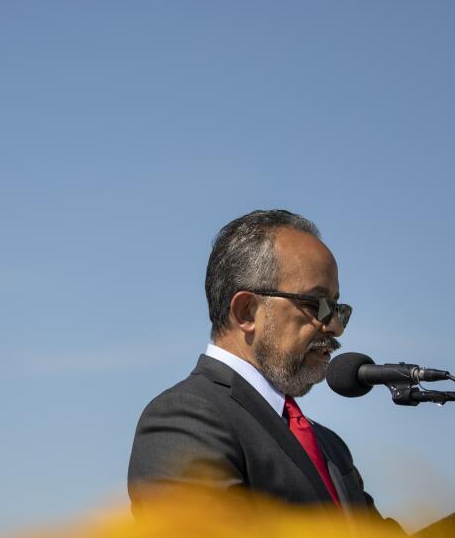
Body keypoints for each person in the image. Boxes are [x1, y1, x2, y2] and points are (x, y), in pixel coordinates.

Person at [129, 207, 386, 517]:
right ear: (247, 311)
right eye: (316, 305)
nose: (335, 327)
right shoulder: (185, 419)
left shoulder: (331, 447)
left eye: (338, 308)